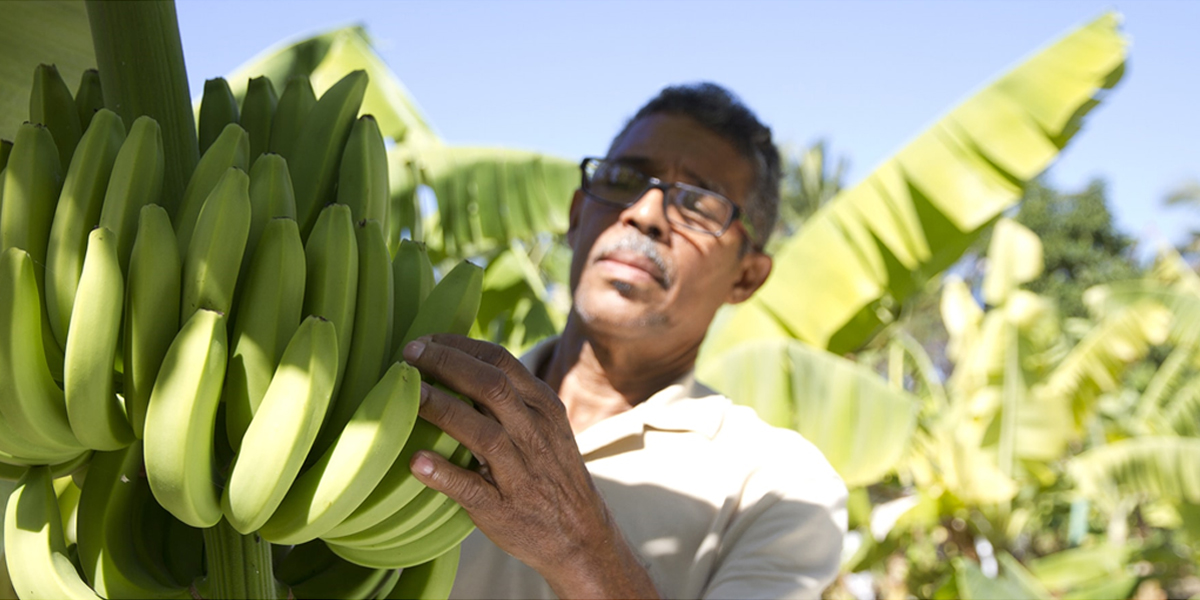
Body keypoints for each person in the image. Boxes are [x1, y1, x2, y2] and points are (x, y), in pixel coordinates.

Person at [401, 82, 848, 600]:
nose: (646, 212)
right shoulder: (426, 398)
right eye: (624, 179)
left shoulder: (780, 484)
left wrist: (579, 546)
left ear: (746, 278)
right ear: (575, 216)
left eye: (699, 204)